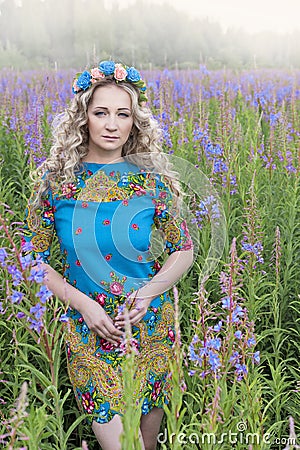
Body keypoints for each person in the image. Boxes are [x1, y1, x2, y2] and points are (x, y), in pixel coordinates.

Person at [22, 60, 194, 450]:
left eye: (123, 114)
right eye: (101, 113)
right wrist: (83, 305)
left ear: (135, 121)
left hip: (149, 327)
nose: (112, 124)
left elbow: (182, 250)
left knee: (146, 446)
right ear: (83, 118)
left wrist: (150, 292)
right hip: (87, 330)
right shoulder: (59, 181)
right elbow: (33, 259)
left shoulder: (150, 179)